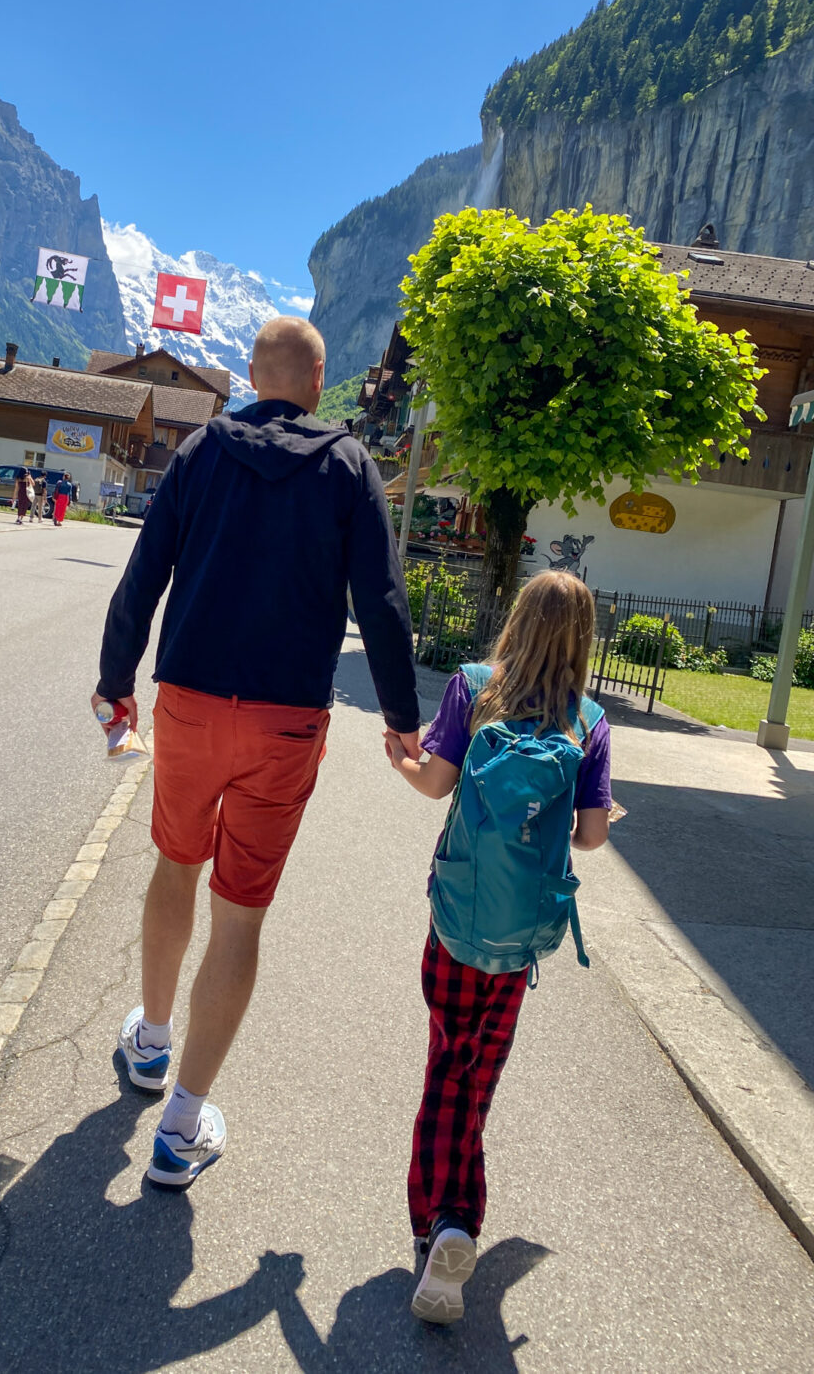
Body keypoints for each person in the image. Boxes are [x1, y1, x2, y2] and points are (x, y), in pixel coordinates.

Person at [93, 316, 420, 1188]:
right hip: (285, 724)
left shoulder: (201, 452)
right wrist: (401, 717)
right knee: (241, 913)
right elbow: (381, 602)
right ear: (319, 383)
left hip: (193, 705)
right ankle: (182, 1126)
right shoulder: (351, 466)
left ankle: (151, 1043)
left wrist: (115, 680)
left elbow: (144, 572)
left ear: (250, 374)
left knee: (174, 865)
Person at [383, 569, 612, 1325]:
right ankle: (455, 1218)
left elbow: (436, 782)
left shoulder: (475, 686)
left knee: (446, 1060)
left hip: (455, 916)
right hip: (522, 938)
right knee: (478, 1067)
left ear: (517, 617)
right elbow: (590, 836)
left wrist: (402, 758)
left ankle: (442, 1225)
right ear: (583, 638)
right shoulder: (589, 722)